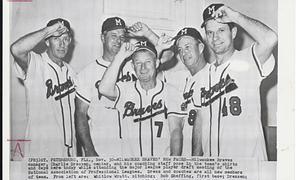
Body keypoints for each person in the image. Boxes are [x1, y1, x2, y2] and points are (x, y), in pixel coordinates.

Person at [192, 3, 277, 160]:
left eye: (221, 30)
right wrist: (195, 160)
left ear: (234, 32)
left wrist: (235, 16)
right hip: (215, 171)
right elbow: (200, 119)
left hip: (248, 165)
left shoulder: (249, 59)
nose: (215, 37)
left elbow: (270, 39)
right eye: (210, 32)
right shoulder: (202, 76)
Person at [98, 40, 187, 156]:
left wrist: (173, 164)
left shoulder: (171, 92)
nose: (143, 68)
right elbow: (103, 89)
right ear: (132, 66)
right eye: (138, 63)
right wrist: (120, 56)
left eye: (148, 62)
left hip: (160, 166)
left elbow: (175, 132)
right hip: (131, 167)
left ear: (156, 63)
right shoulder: (125, 90)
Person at [10, 18, 76, 157]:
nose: (61, 43)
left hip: (69, 151)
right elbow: (16, 49)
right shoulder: (36, 63)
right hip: (41, 150)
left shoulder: (71, 72)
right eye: (56, 38)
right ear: (47, 41)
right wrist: (48, 30)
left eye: (65, 39)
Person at [75, 17, 137, 156]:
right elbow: (80, 114)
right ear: (103, 37)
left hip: (132, 148)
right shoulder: (87, 73)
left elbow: (164, 56)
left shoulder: (134, 67)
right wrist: (89, 149)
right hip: (102, 147)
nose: (119, 41)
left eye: (122, 37)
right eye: (113, 36)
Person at [168, 27, 209, 156]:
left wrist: (195, 162)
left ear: (201, 47)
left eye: (187, 47)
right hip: (185, 156)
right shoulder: (181, 78)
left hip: (203, 158)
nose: (183, 53)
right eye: (180, 50)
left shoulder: (213, 74)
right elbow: (150, 73)